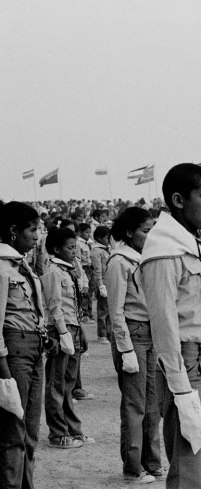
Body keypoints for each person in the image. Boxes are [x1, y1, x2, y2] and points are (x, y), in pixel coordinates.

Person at [140, 163, 201, 489]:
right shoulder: (163, 250)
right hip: (187, 366)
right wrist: (181, 392)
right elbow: (164, 325)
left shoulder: (197, 244)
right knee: (189, 474)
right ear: (179, 200)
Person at [105, 207, 165, 484]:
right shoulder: (119, 262)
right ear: (129, 232)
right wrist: (125, 348)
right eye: (145, 230)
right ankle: (132, 466)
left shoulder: (144, 258)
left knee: (153, 404)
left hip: (151, 334)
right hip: (133, 334)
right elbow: (115, 310)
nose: (150, 235)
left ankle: (152, 461)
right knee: (134, 404)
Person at [0, 202, 47, 488]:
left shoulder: (22, 264)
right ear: (13, 231)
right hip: (14, 352)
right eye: (32, 229)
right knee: (12, 433)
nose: (37, 236)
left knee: (30, 431)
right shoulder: (2, 268)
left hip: (34, 348)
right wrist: (4, 371)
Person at [41, 227, 95, 448]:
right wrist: (62, 332)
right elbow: (54, 305)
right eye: (70, 247)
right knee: (56, 383)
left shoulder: (70, 269)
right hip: (60, 330)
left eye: (75, 246)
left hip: (74, 326)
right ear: (56, 249)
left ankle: (73, 429)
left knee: (68, 384)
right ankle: (57, 433)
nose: (75, 251)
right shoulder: (53, 271)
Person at [91, 226, 112, 344]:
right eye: (106, 238)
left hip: (109, 282)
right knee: (103, 310)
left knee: (109, 309)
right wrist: (100, 285)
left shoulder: (107, 249)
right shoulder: (96, 251)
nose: (109, 240)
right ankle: (102, 334)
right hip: (102, 283)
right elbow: (97, 270)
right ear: (99, 238)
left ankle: (109, 332)